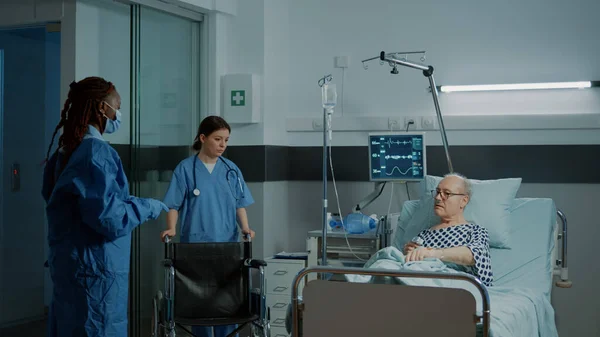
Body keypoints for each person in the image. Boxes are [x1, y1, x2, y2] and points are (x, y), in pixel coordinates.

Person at [41, 77, 169, 337]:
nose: (118, 113)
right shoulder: (94, 153)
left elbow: (67, 204)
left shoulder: (64, 153)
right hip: (95, 274)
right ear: (102, 108)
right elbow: (109, 218)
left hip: (72, 267)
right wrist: (148, 206)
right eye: (117, 106)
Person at [161, 115, 255, 337]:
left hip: (227, 244)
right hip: (195, 244)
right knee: (199, 303)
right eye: (217, 139)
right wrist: (172, 228)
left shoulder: (231, 170)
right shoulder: (185, 169)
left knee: (226, 302)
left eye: (226, 140)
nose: (223, 145)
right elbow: (173, 204)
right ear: (203, 138)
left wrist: (246, 227)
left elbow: (239, 204)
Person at [403, 173, 494, 287]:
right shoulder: (425, 234)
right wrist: (410, 253)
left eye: (446, 193)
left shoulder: (475, 231)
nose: (437, 198)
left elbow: (476, 254)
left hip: (452, 283)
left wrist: (432, 253)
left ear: (464, 201)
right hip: (420, 278)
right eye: (437, 192)